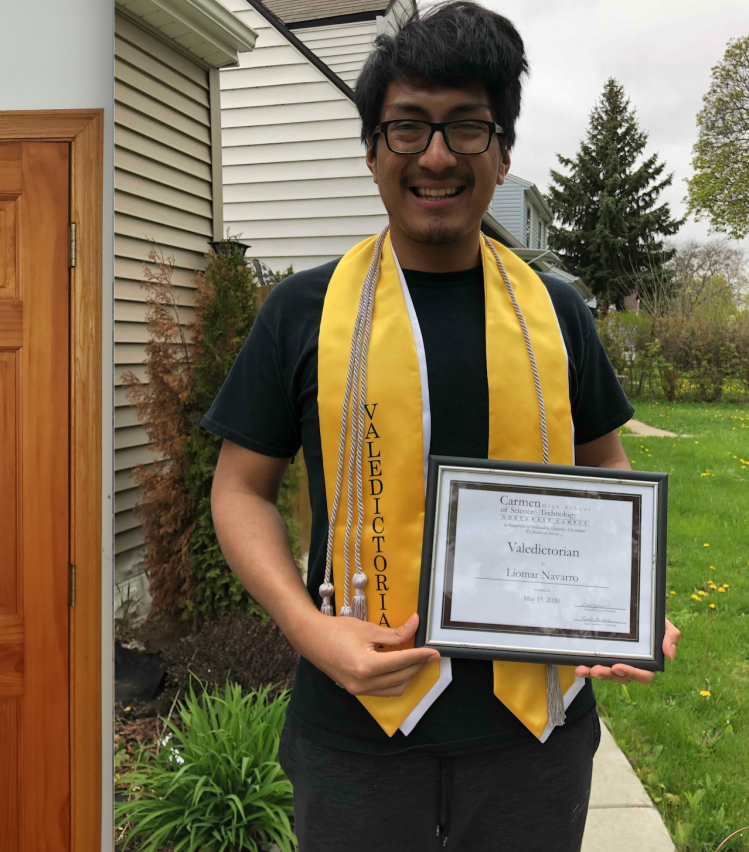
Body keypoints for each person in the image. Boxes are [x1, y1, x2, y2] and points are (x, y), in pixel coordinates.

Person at [204, 4, 679, 850]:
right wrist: (308, 630)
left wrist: (628, 602)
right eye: (408, 127)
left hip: (535, 735)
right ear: (371, 149)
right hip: (356, 725)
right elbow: (240, 489)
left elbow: (605, 467)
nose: (435, 155)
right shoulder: (301, 313)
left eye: (467, 128)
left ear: (501, 155)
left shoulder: (558, 313)